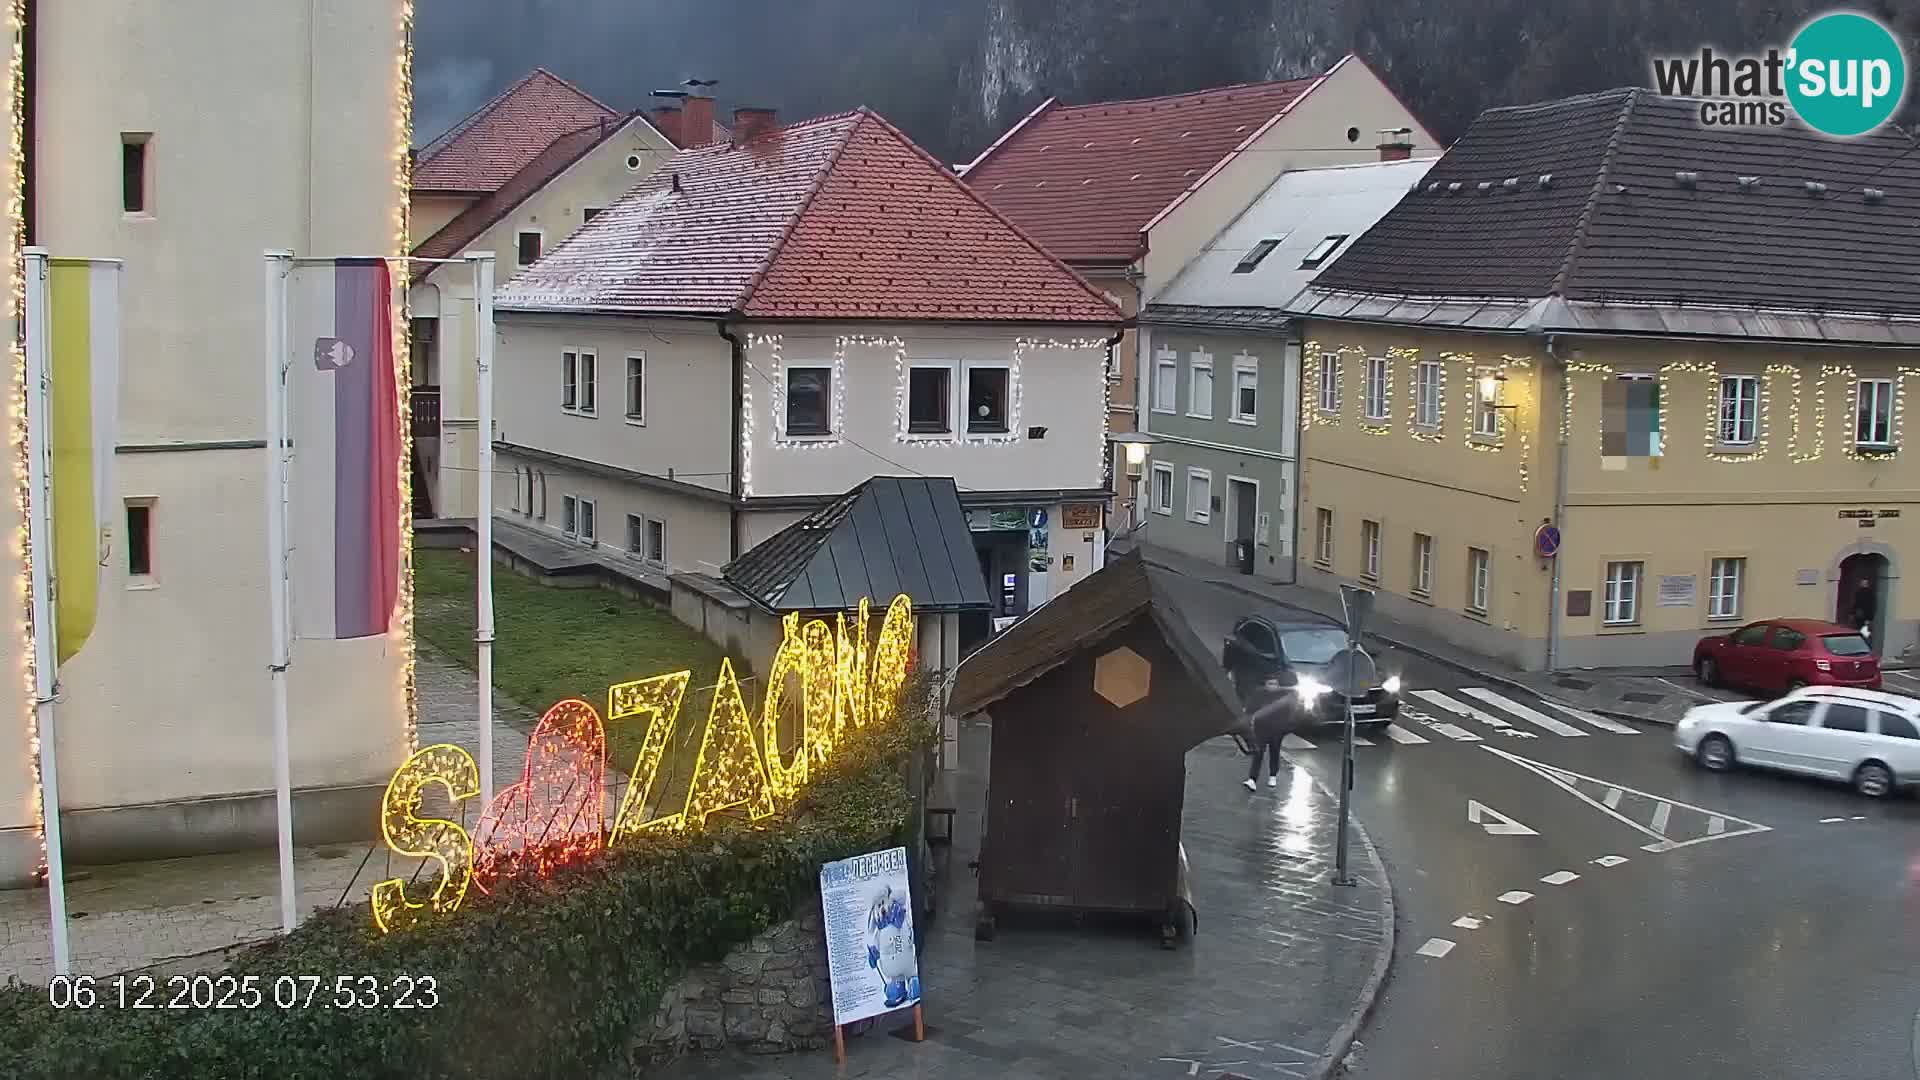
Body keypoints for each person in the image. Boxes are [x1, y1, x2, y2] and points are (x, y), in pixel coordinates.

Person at [1243, 676, 1294, 791]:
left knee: (1274, 752)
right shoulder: (1259, 695)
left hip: (1277, 730)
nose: (1272, 686)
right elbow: (1250, 710)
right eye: (1270, 683)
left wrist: (1285, 729)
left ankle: (1272, 776)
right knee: (1258, 753)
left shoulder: (1283, 696)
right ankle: (1252, 779)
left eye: (1274, 683)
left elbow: (1290, 715)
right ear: (1265, 684)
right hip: (1261, 729)